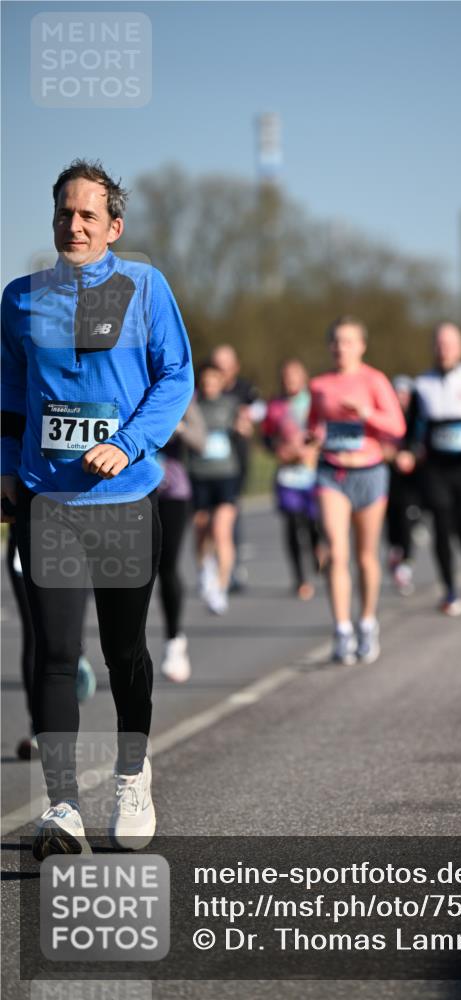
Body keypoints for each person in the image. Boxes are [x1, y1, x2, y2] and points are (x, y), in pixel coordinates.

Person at [1, 159, 194, 859]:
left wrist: (131, 441)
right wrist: (3, 471)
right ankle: (61, 808)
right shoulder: (20, 299)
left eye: (87, 215)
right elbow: (10, 395)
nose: (73, 225)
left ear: (113, 225)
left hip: (125, 500)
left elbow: (177, 374)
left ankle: (132, 773)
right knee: (55, 655)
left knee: (124, 655)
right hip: (48, 502)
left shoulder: (145, 288)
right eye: (63, 213)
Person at [308, 316, 406, 664]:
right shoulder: (319, 385)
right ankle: (342, 629)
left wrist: (367, 413)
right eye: (335, 341)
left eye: (348, 341)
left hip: (370, 472)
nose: (340, 347)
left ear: (361, 346)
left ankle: (366, 622)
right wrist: (314, 437)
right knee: (336, 551)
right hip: (333, 473)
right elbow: (313, 427)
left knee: (366, 557)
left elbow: (397, 426)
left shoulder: (375, 380)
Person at [398, 323, 461, 616]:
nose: (444, 350)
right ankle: (450, 590)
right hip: (435, 465)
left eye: (449, 345)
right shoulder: (421, 384)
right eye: (439, 345)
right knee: (440, 523)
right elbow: (411, 428)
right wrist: (408, 452)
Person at [6, 523, 97, 761]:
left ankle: (74, 653)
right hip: (28, 540)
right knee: (35, 635)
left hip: (76, 540)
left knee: (65, 638)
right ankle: (40, 729)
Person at [262, 359, 323, 600]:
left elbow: (324, 432)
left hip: (314, 475)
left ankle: (319, 548)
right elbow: (267, 438)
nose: (290, 380)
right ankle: (300, 578)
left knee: (312, 524)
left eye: (294, 375)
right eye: (286, 376)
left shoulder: (314, 402)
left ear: (304, 377)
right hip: (287, 476)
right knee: (292, 525)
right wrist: (279, 450)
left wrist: (312, 449)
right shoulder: (275, 406)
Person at [156, 398, 206, 681]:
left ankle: (174, 640)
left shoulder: (177, 389)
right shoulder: (122, 380)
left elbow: (201, 441)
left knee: (166, 566)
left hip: (171, 493)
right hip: (130, 491)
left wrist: (181, 428)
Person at [189, 362, 244, 614]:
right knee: (201, 530)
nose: (209, 386)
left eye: (214, 381)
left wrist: (244, 427)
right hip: (199, 474)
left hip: (226, 475)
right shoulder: (193, 406)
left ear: (222, 382)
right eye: (205, 381)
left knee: (221, 531)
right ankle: (205, 570)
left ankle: (221, 587)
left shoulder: (231, 405)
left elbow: (244, 433)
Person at [210, 345, 264, 592]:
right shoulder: (205, 387)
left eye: (225, 365)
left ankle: (232, 564)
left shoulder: (244, 389)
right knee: (206, 518)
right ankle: (213, 563)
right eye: (216, 365)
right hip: (205, 465)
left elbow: (261, 409)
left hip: (235, 461)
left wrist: (247, 415)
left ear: (235, 366)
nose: (220, 370)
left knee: (230, 514)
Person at [384, 375, 422, 596]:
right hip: (389, 479)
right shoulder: (386, 419)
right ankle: (395, 552)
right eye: (397, 394)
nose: (401, 398)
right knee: (392, 523)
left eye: (405, 394)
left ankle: (406, 564)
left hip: (412, 482)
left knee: (409, 520)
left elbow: (423, 444)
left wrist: (413, 456)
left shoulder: (417, 418)